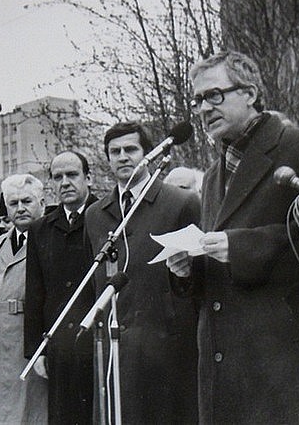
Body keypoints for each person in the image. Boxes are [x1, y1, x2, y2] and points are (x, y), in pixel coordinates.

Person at [166, 50, 299, 423]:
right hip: (222, 366)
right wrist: (188, 269)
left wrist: (241, 246)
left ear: (249, 93)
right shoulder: (214, 175)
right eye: (198, 100)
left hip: (282, 364)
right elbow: (218, 271)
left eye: (215, 95)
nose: (203, 108)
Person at [83, 121, 200, 423]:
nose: (123, 157)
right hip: (114, 348)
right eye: (114, 152)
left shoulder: (181, 202)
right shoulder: (96, 214)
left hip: (167, 345)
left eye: (130, 149)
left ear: (147, 154)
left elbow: (203, 272)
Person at [24, 151, 97, 425]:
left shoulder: (104, 219)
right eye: (57, 177)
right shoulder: (40, 229)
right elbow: (35, 292)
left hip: (95, 342)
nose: (64, 182)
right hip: (58, 347)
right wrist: (36, 349)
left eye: (72, 175)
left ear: (88, 178)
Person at [0, 174, 48, 424]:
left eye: (26, 201)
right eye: (13, 203)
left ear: (42, 202)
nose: (20, 208)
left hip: (28, 332)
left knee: (30, 406)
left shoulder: (47, 239)